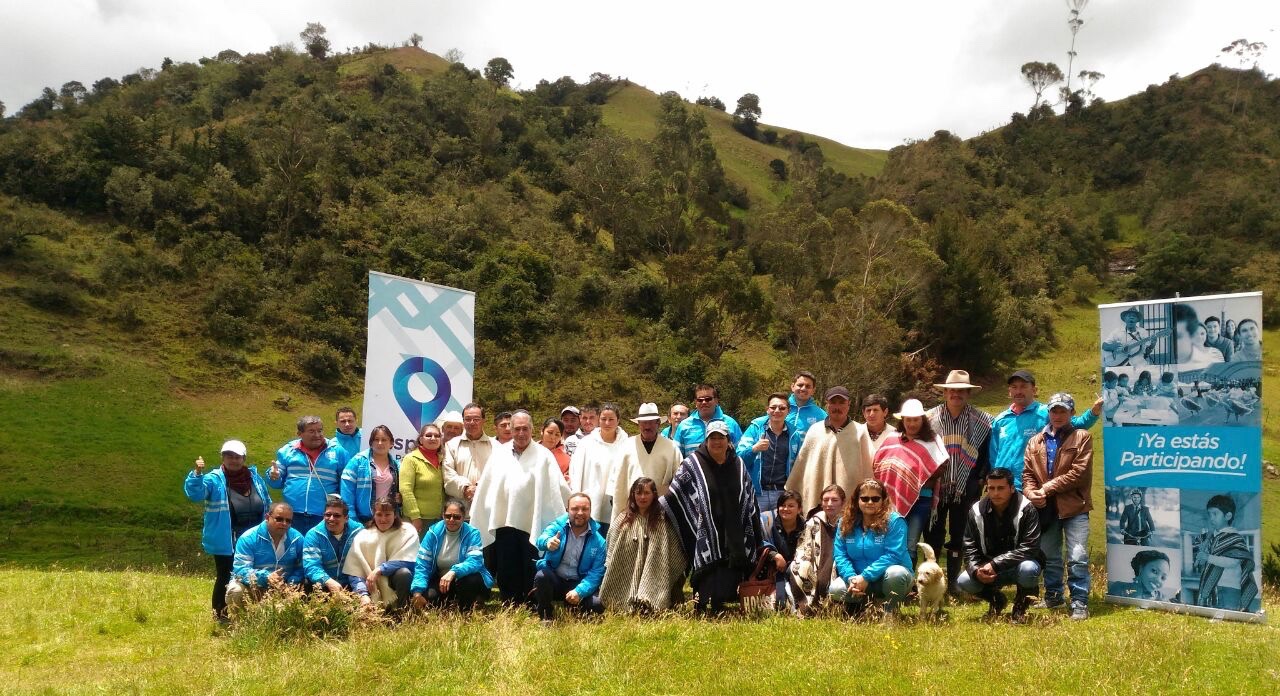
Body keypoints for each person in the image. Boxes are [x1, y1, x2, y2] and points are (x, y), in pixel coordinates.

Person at [662, 421, 772, 615]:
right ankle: (704, 601)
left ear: (728, 440)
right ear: (706, 440)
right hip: (705, 530)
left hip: (734, 530)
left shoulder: (737, 463)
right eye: (712, 437)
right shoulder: (693, 464)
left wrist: (755, 531)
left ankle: (730, 598)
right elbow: (675, 493)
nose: (717, 442)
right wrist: (660, 506)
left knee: (731, 568)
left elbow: (748, 496)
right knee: (709, 569)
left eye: (721, 437)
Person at [469, 410, 572, 604]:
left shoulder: (543, 455)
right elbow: (488, 485)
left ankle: (531, 602)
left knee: (530, 562)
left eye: (525, 429)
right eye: (517, 429)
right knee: (507, 564)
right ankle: (510, 602)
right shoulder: (499, 453)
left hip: (533, 519)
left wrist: (570, 502)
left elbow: (556, 486)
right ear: (511, 429)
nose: (521, 433)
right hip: (504, 520)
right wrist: (483, 510)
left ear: (532, 430)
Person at [1022, 392, 1094, 620]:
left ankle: (1079, 602)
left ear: (1072, 413)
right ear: (1048, 413)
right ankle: (1053, 596)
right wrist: (1031, 493)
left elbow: (1078, 474)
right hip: (1046, 509)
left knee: (1078, 556)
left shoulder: (1082, 437)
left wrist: (1047, 488)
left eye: (1063, 410)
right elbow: (1027, 474)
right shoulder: (1035, 441)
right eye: (1054, 410)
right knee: (1050, 556)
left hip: (1075, 507)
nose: (1058, 415)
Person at [184, 439, 272, 622]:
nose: (233, 460)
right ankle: (221, 615)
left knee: (255, 574)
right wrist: (197, 474)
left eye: (237, 456)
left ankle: (252, 613)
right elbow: (195, 494)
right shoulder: (213, 479)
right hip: (227, 538)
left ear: (244, 458)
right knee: (225, 575)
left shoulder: (255, 478)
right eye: (229, 456)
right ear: (222, 458)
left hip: (254, 538)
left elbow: (267, 502)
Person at [925, 368, 993, 595]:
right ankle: (933, 580)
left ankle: (954, 583)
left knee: (960, 535)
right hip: (935, 485)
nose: (956, 395)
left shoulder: (982, 421)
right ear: (944, 393)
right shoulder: (928, 419)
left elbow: (986, 453)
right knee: (933, 534)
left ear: (968, 394)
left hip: (967, 486)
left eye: (962, 391)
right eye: (952, 391)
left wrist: (981, 478)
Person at [956, 468, 1044, 622]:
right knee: (964, 580)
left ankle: (1020, 607)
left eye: (1001, 488)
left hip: (1019, 566)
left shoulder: (1027, 509)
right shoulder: (976, 511)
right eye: (991, 488)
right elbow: (969, 546)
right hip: (988, 569)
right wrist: (976, 570)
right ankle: (997, 600)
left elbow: (1030, 547)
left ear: (1011, 488)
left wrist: (995, 564)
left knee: (1029, 569)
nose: (996, 493)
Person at [988, 370, 1099, 490]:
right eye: (1014, 387)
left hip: (1031, 486)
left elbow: (1077, 424)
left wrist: (1094, 412)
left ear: (1034, 390)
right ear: (1009, 391)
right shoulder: (1001, 419)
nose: (1018, 391)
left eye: (1023, 387)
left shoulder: (1046, 412)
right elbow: (994, 453)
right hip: (1002, 487)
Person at [872, 399, 948, 565]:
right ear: (903, 421)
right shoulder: (892, 439)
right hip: (891, 501)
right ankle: (890, 581)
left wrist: (919, 481)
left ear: (923, 420)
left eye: (916, 420)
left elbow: (941, 465)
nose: (912, 424)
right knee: (890, 542)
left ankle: (907, 584)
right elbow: (878, 463)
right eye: (908, 420)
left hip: (921, 500)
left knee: (910, 544)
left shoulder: (932, 440)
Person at [785, 386, 874, 518]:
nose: (837, 407)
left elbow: (867, 468)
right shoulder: (815, 430)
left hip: (849, 502)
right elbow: (802, 466)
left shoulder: (860, 432)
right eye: (833, 402)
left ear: (849, 404)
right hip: (817, 502)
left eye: (841, 402)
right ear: (827, 404)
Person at [600, 477, 687, 613]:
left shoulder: (663, 519)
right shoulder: (623, 519)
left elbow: (674, 550)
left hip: (655, 570)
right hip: (628, 571)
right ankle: (627, 603)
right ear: (633, 495)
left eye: (647, 493)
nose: (642, 497)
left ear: (654, 495)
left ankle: (650, 603)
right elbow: (611, 545)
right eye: (638, 493)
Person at [832, 479, 913, 621]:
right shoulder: (844, 522)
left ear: (883, 500)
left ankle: (890, 613)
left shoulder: (895, 521)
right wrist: (851, 578)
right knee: (836, 590)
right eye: (864, 498)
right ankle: (864, 607)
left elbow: (893, 555)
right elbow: (840, 555)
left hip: (887, 579)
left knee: (896, 573)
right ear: (857, 500)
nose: (870, 502)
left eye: (875, 499)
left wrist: (866, 576)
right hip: (858, 579)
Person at [533, 493, 607, 624]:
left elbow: (596, 573)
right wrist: (547, 543)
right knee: (541, 576)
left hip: (578, 583)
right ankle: (546, 615)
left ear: (590, 511)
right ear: (567, 510)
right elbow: (541, 540)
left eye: (585, 509)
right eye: (575, 509)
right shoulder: (557, 526)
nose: (580, 513)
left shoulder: (599, 541)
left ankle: (573, 607)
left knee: (597, 605)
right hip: (556, 580)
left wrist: (579, 591)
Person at [269, 415, 351, 533]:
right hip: (292, 514)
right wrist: (274, 477)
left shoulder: (338, 452)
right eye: (312, 431)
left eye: (320, 430)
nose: (317, 435)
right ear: (299, 433)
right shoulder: (288, 451)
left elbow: (347, 484)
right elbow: (275, 482)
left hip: (325, 514)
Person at [410, 499, 493, 611]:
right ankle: (451, 604)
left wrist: (454, 571)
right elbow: (423, 564)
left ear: (464, 517)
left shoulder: (473, 533)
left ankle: (466, 611)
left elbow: (475, 561)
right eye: (448, 516)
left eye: (457, 517)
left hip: (467, 579)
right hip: (442, 581)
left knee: (469, 581)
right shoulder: (432, 533)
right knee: (431, 597)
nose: (451, 520)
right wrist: (417, 592)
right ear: (443, 516)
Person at [342, 497, 419, 611]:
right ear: (373, 515)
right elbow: (354, 571)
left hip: (395, 580)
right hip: (371, 586)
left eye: (387, 514)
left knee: (404, 573)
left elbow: (409, 561)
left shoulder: (407, 531)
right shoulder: (363, 536)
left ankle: (403, 611)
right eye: (379, 514)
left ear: (395, 514)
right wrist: (363, 594)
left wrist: (379, 570)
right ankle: (376, 608)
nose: (383, 519)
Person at [227, 502, 305, 609]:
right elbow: (240, 570)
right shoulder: (248, 538)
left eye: (288, 521)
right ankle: (240, 624)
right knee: (236, 590)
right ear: (267, 517)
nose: (284, 523)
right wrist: (266, 577)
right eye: (279, 519)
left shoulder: (297, 539)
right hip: (254, 586)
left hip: (286, 587)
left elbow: (302, 567)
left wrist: (291, 582)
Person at [569, 402, 631, 533]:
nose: (607, 423)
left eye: (611, 419)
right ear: (599, 420)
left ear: (618, 420)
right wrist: (576, 500)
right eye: (603, 419)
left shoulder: (627, 445)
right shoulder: (586, 444)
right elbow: (576, 473)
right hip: (591, 504)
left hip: (616, 505)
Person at [737, 392, 802, 513]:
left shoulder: (794, 435)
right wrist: (754, 449)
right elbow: (739, 458)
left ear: (788, 411)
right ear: (767, 410)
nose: (777, 410)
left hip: (782, 494)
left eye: (782, 408)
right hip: (757, 492)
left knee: (779, 530)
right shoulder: (755, 429)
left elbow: (799, 466)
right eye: (773, 407)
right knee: (757, 529)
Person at [788, 484, 849, 615]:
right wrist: (805, 564)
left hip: (842, 566)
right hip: (817, 566)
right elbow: (803, 548)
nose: (829, 504)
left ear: (843, 503)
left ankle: (839, 609)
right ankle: (808, 608)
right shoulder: (813, 522)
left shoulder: (849, 523)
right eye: (826, 500)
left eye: (834, 500)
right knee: (797, 566)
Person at [1194, 494, 1259, 612]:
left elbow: (1233, 562)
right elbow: (1205, 564)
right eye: (1209, 514)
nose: (1211, 518)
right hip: (1213, 589)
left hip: (1229, 588)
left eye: (1215, 514)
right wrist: (1201, 558)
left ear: (1228, 516)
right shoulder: (1212, 538)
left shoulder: (1235, 538)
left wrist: (1208, 557)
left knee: (1228, 619)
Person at [611, 402, 682, 503]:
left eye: (651, 422)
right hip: (632, 507)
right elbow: (618, 478)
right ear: (638, 424)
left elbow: (679, 479)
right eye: (644, 422)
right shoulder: (626, 446)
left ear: (658, 423)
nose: (647, 426)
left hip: (661, 507)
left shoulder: (671, 447)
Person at [302, 496, 362, 596]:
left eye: (337, 515)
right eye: (328, 515)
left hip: (352, 583)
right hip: (324, 584)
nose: (331, 519)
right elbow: (311, 565)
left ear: (346, 518)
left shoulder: (359, 531)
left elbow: (363, 562)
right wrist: (327, 581)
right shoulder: (313, 535)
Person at [340, 424, 400, 524]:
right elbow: (347, 492)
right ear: (371, 443)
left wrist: (400, 498)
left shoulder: (396, 465)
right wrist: (353, 520)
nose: (380, 443)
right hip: (363, 519)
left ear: (391, 443)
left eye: (384, 440)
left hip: (387, 520)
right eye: (376, 439)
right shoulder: (357, 461)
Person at [442, 403, 495, 507]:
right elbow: (448, 475)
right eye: (468, 419)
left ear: (483, 420)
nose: (472, 423)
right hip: (459, 511)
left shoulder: (495, 446)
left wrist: (479, 488)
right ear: (463, 421)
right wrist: (466, 489)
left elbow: (498, 473)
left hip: (487, 507)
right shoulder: (451, 445)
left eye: (476, 419)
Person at [672, 384, 743, 457]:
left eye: (708, 399)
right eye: (700, 400)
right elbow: (676, 457)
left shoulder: (731, 423)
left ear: (716, 401)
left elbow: (740, 454)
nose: (704, 402)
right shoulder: (684, 425)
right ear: (695, 402)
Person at [400, 423, 445, 534]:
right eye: (428, 435)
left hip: (441, 519)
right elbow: (405, 490)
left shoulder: (443, 460)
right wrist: (415, 517)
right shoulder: (411, 459)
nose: (433, 438)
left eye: (437, 436)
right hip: (418, 520)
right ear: (420, 439)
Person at [765, 490, 804, 609]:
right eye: (782, 505)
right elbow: (759, 543)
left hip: (798, 570)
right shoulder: (766, 522)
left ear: (799, 509)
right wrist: (775, 555)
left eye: (791, 506)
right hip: (772, 571)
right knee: (779, 603)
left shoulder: (807, 526)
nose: (786, 509)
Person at [787, 371, 827, 441]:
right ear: (792, 387)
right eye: (800, 385)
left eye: (808, 386)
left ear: (813, 391)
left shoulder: (822, 415)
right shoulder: (779, 409)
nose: (803, 389)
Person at [540, 417, 571, 481]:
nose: (553, 437)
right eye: (550, 432)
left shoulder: (566, 460)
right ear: (542, 431)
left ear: (561, 437)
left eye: (557, 435)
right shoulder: (530, 450)